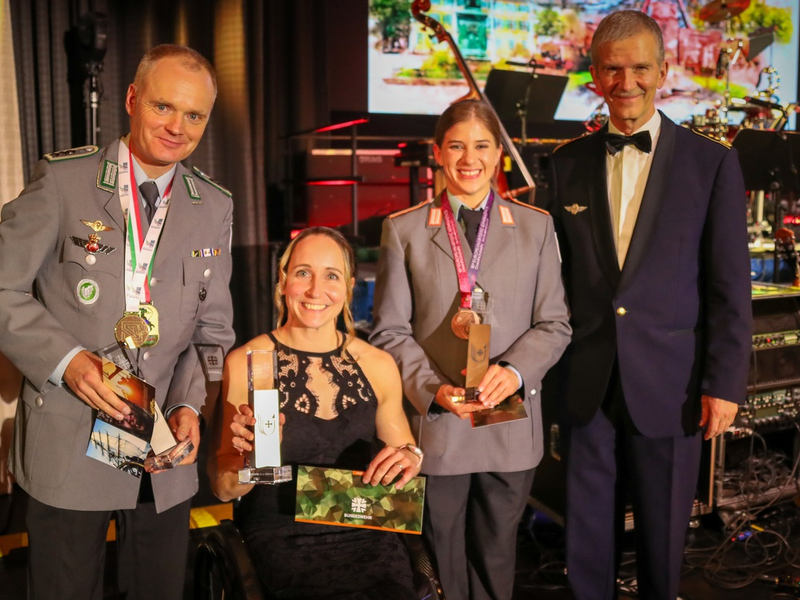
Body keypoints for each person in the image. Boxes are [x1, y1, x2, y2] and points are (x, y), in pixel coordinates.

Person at [0, 44, 235, 600]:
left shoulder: (214, 206)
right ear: (132, 99)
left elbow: (213, 332)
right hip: (69, 432)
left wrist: (186, 404)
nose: (177, 127)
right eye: (163, 107)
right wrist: (66, 361)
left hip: (162, 449)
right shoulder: (64, 182)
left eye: (194, 115)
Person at [546, 11, 752, 600]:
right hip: (586, 383)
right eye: (613, 69)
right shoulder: (566, 164)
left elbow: (728, 288)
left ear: (663, 71)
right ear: (595, 74)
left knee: (663, 544)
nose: (627, 81)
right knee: (586, 542)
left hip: (674, 385)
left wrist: (726, 384)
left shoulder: (711, 163)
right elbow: (553, 283)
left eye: (640, 67)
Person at [370, 99, 572, 600]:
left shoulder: (535, 225)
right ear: (437, 152)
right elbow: (389, 332)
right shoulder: (405, 229)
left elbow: (555, 323)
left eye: (481, 146)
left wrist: (516, 370)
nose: (469, 158)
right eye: (456, 146)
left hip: (509, 421)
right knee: (442, 561)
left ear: (499, 153)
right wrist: (431, 389)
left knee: (498, 556)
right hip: (441, 426)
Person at [212, 227, 423, 600]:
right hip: (281, 533)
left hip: (364, 525)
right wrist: (254, 458)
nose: (315, 290)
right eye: (303, 272)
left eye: (331, 276)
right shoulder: (249, 362)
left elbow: (406, 452)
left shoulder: (377, 364)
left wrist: (408, 458)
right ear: (283, 280)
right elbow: (224, 487)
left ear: (348, 287)